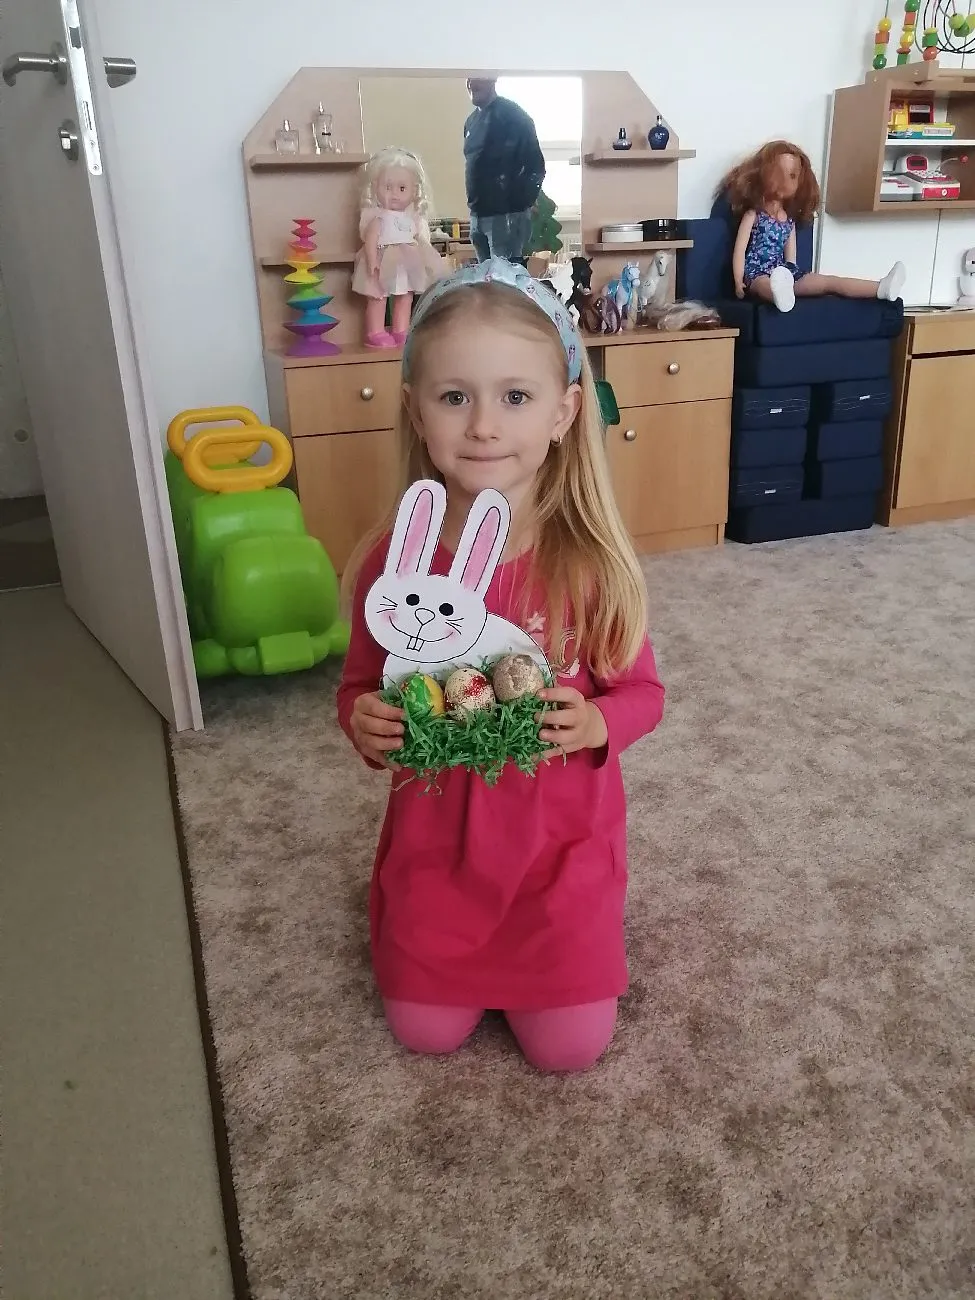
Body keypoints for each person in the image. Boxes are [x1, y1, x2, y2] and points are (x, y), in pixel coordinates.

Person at [337, 258, 665, 1073]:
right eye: (455, 397)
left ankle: (556, 951)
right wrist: (364, 723)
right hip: (439, 857)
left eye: (514, 397)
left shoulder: (587, 564)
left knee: (570, 1052)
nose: (483, 425)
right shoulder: (394, 567)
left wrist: (596, 721)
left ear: (564, 411)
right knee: (426, 1033)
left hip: (559, 861)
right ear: (415, 410)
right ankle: (436, 939)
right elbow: (359, 688)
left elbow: (643, 693)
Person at [721, 140, 906, 313]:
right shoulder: (753, 215)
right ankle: (780, 296)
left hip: (783, 274)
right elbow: (740, 251)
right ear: (762, 174)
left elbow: (791, 258)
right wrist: (738, 281)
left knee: (828, 282)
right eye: (778, 173)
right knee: (763, 284)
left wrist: (791, 273)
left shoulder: (789, 220)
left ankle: (881, 288)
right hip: (756, 272)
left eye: (792, 176)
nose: (785, 181)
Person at [351, 146, 444, 349]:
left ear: (414, 191)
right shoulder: (378, 217)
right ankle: (375, 331)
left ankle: (401, 329)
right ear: (375, 187)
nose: (394, 195)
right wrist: (372, 260)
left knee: (405, 295)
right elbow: (371, 240)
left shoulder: (413, 218)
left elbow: (419, 241)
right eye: (387, 187)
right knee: (378, 296)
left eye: (402, 189)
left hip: (406, 263)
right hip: (382, 260)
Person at [463, 78, 545, 265]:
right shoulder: (471, 122)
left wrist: (520, 205)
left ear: (492, 77)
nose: (471, 83)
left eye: (477, 77)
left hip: (507, 216)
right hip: (477, 214)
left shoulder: (514, 117)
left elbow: (536, 166)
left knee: (506, 278)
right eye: (468, 78)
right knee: (486, 278)